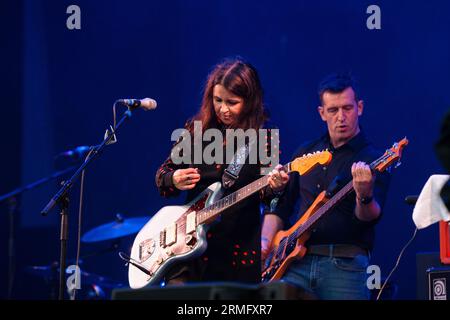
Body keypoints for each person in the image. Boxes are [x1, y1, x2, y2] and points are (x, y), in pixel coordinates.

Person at [155, 58, 288, 285]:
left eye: (232, 102)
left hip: (235, 255)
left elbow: (270, 200)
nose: (223, 109)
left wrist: (276, 187)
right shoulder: (194, 130)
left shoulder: (264, 139)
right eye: (218, 100)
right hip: (186, 252)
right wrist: (173, 179)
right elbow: (162, 176)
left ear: (249, 101)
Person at [261, 72, 390, 300]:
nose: (341, 117)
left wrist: (364, 195)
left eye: (347, 108)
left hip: (344, 265)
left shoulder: (373, 158)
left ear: (359, 108)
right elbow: (280, 206)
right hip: (294, 262)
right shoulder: (304, 152)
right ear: (322, 113)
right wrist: (265, 243)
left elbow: (369, 217)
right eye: (333, 110)